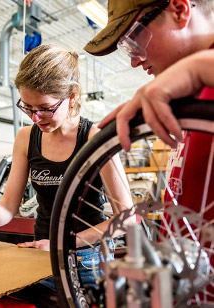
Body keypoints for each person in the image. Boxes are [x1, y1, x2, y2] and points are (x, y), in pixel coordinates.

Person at [0, 44, 133, 307]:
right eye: (28, 107)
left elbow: (126, 218)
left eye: (45, 107)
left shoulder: (95, 138)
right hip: (40, 255)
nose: (36, 117)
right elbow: (8, 207)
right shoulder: (26, 138)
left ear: (73, 96)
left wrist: (62, 244)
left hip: (88, 260)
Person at [84, 0, 214, 299]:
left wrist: (195, 69)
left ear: (179, 10)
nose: (133, 60)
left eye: (132, 40)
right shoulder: (188, 99)